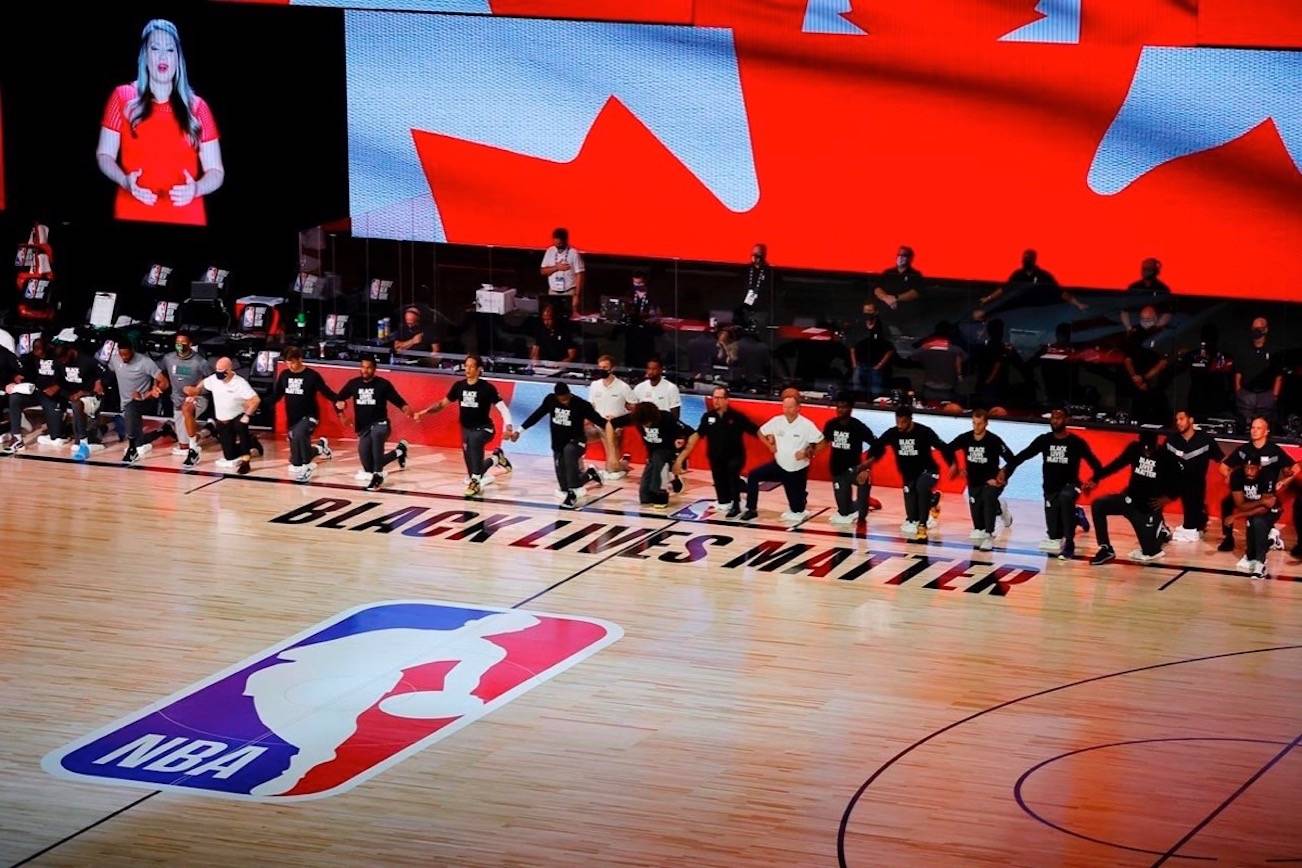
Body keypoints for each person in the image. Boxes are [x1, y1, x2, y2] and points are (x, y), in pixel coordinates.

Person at [96, 19, 223, 226]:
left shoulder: (198, 107)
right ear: (145, 57)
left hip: (187, 218)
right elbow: (104, 155)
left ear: (178, 59)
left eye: (170, 50)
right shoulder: (122, 96)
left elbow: (216, 172)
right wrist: (124, 181)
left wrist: (197, 189)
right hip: (132, 213)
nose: (163, 56)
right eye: (155, 48)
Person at [999, 406, 1103, 559]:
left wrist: (1094, 480)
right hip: (1050, 489)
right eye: (1053, 417)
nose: (1054, 421)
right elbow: (1022, 456)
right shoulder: (1044, 440)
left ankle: (1069, 544)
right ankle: (1076, 515)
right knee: (1054, 535)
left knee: (1066, 497)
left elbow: (1096, 465)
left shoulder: (1076, 442)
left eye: (1058, 417)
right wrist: (1005, 469)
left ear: (1066, 420)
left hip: (1071, 486)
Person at [416, 354, 514, 498]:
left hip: (484, 429)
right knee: (475, 469)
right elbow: (441, 405)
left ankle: (475, 483)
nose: (467, 369)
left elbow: (503, 409)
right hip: (466, 430)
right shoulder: (459, 386)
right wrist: (424, 412)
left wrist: (509, 428)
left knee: (474, 446)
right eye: (466, 366)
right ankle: (496, 458)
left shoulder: (487, 388)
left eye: (471, 366)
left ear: (479, 369)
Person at [1088, 431, 1179, 565]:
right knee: (1098, 505)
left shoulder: (1166, 456)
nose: (1147, 452)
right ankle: (1106, 549)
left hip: (1147, 507)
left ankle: (1161, 530)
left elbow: (1182, 481)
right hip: (1129, 499)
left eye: (1150, 449)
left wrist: (1168, 498)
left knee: (1150, 552)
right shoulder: (1134, 448)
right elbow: (1116, 465)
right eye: (1144, 448)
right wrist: (1096, 478)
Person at [867, 405, 955, 541]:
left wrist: (952, 464)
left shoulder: (924, 432)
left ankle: (923, 525)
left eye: (904, 422)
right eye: (897, 422)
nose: (900, 425)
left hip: (929, 471)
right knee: (911, 517)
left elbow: (943, 447)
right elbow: (877, 446)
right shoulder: (893, 433)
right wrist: (867, 465)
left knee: (921, 486)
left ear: (910, 420)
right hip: (908, 476)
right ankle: (932, 500)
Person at [674, 386, 761, 518]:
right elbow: (698, 435)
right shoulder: (708, 417)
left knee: (732, 473)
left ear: (727, 400)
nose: (716, 401)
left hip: (735, 455)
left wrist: (770, 440)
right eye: (714, 397)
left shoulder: (736, 416)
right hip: (715, 457)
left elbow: (755, 430)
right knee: (720, 485)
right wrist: (681, 458)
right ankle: (729, 498)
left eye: (720, 398)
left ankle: (736, 505)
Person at [738, 391, 824, 523]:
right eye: (784, 407)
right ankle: (751, 509)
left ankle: (801, 497)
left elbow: (821, 443)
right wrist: (769, 445)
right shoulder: (777, 421)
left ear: (798, 408)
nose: (786, 410)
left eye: (790, 407)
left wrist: (807, 453)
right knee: (753, 475)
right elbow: (760, 432)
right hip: (779, 465)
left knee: (797, 510)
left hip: (797, 469)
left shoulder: (806, 425)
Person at [515, 383, 605, 508]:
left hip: (577, 441)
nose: (565, 402)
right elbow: (536, 416)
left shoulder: (581, 404)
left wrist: (613, 427)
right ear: (556, 397)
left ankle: (572, 495)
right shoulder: (550, 400)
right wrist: (519, 431)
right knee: (564, 486)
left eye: (567, 398)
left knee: (569, 452)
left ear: (570, 393)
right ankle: (590, 474)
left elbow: (599, 420)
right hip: (558, 444)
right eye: (562, 400)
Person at [1216, 416, 1296, 553]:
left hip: (1266, 493)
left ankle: (1269, 535)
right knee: (1226, 503)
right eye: (1253, 427)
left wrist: (1283, 482)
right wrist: (1229, 476)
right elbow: (1223, 467)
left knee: (1259, 521)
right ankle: (1228, 538)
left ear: (1266, 432)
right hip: (1246, 491)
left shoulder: (1274, 451)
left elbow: (1295, 469)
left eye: (1258, 428)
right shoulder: (1243, 450)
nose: (1254, 431)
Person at [335, 355, 412, 492]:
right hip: (363, 428)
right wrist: (342, 415)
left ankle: (378, 476)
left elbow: (399, 401)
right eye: (363, 367)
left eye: (368, 367)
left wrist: (407, 410)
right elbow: (338, 400)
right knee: (368, 466)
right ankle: (400, 451)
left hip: (381, 424)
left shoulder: (383, 384)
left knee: (377, 435)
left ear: (374, 369)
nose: (365, 370)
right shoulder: (353, 384)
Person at [948, 408, 1015, 551]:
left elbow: (1012, 459)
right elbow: (947, 448)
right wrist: (955, 464)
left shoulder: (994, 440)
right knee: (978, 526)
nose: (976, 427)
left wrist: (1003, 473)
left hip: (992, 481)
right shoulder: (965, 438)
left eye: (979, 424)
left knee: (988, 496)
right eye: (974, 423)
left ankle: (990, 535)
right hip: (974, 482)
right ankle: (1000, 509)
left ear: (986, 424)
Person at [268, 346, 338, 483]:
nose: (290, 365)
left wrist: (339, 399)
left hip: (310, 416)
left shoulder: (311, 375)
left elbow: (326, 391)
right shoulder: (284, 375)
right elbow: (276, 396)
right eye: (287, 362)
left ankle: (308, 464)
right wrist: (259, 403)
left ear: (300, 360)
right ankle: (319, 448)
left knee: (300, 434)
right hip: (293, 419)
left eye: (293, 362)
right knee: (295, 462)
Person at [609, 402, 692, 510]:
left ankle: (661, 495)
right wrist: (612, 454)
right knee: (645, 497)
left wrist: (679, 460)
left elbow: (693, 434)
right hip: (652, 454)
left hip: (670, 451)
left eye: (647, 423)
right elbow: (610, 424)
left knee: (659, 459)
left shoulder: (666, 417)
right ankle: (672, 478)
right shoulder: (636, 417)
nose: (645, 426)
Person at [100, 338, 170, 464]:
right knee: (129, 431)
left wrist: (152, 391)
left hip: (145, 401)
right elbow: (107, 372)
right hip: (125, 404)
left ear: (132, 351)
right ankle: (162, 432)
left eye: (126, 354)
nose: (124, 358)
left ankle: (132, 450)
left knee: (131, 413)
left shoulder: (145, 362)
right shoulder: (115, 359)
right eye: (121, 355)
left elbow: (164, 382)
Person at [186, 358, 260, 476]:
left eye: (222, 370)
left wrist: (247, 415)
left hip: (237, 416)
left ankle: (246, 461)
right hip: (222, 419)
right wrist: (196, 392)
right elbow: (204, 382)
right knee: (229, 455)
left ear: (230, 370)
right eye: (217, 370)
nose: (219, 373)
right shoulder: (214, 379)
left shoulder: (239, 383)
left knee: (242, 427)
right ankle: (253, 443)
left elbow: (255, 400)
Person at [816, 396, 875, 526]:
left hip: (854, 470)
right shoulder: (831, 424)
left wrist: (866, 468)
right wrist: (811, 452)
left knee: (862, 512)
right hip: (837, 470)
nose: (840, 410)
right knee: (844, 511)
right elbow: (824, 442)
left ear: (850, 409)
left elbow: (877, 446)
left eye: (844, 407)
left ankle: (864, 502)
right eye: (838, 407)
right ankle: (859, 502)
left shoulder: (858, 426)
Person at [1163, 409, 1222, 542]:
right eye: (1177, 420)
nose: (1178, 422)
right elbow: (1161, 460)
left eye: (1182, 419)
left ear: (1191, 420)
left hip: (1196, 483)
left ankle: (1195, 524)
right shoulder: (1171, 440)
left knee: (1192, 503)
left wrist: (1229, 472)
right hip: (1175, 482)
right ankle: (1160, 527)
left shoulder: (1205, 439)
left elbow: (1221, 459)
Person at [975, 249, 1085, 317]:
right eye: (1024, 259)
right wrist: (988, 298)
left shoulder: (1043, 275)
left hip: (1040, 304)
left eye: (1028, 259)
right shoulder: (1018, 274)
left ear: (1033, 260)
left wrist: (1078, 304)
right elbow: (1004, 289)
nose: (1025, 261)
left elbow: (1060, 292)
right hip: (1021, 302)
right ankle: (984, 315)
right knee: (1002, 306)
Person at [1226, 457, 1286, 579]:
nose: (1249, 472)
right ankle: (1272, 540)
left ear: (1259, 467)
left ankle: (1261, 564)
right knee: (1250, 554)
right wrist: (1261, 501)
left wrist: (1236, 516)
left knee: (1258, 521)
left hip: (1273, 510)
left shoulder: (1267, 475)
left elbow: (1266, 507)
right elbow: (1240, 505)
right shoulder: (1236, 475)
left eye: (1252, 468)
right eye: (1246, 468)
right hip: (1251, 509)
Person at [3, 338, 65, 452]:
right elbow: (18, 370)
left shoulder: (58, 357)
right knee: (14, 397)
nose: (38, 352)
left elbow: (67, 377)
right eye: (35, 349)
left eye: (40, 349)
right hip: (35, 392)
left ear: (47, 347)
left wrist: (57, 386)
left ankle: (60, 428)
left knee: (56, 438)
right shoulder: (29, 358)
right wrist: (16, 377)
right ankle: (16, 438)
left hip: (53, 394)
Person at [161, 331, 213, 465]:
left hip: (198, 399)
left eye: (183, 344)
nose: (180, 346)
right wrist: (157, 386)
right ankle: (208, 430)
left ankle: (194, 449)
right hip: (177, 400)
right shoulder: (168, 358)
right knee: (183, 445)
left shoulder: (200, 362)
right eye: (177, 344)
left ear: (190, 344)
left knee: (187, 410)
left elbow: (213, 382)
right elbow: (160, 374)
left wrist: (196, 391)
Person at [1121, 305, 1171, 424]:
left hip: (1155, 386)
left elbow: (1163, 362)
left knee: (1161, 422)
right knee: (1136, 421)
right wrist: (1135, 378)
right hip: (1138, 389)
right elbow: (1127, 359)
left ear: (1155, 318)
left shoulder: (1163, 334)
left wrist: (1144, 378)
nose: (1145, 322)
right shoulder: (1134, 333)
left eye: (1148, 319)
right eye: (1143, 319)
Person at [58, 342, 107, 462]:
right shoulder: (60, 363)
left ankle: (84, 443)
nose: (63, 362)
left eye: (64, 358)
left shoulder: (87, 361)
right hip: (73, 397)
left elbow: (107, 374)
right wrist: (68, 395)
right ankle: (104, 428)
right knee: (75, 404)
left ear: (70, 352)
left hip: (91, 396)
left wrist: (99, 382)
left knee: (77, 403)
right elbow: (58, 383)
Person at [589, 355, 634, 480]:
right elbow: (591, 406)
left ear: (612, 368)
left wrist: (619, 418)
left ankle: (617, 465)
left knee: (612, 469)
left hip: (616, 425)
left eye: (605, 367)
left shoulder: (623, 387)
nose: (602, 370)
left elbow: (633, 407)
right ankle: (621, 464)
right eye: (600, 367)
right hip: (598, 424)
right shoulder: (594, 385)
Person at [1232, 317, 1282, 426]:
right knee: (1245, 425)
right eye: (1254, 328)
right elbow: (1238, 373)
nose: (1256, 330)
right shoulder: (1243, 349)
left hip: (1266, 395)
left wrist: (1275, 395)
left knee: (1264, 426)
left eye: (1259, 328)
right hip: (1246, 394)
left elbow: (1278, 376)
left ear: (1265, 330)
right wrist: (1238, 391)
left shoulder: (1273, 350)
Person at [913, 321, 966, 407]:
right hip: (948, 389)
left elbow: (913, 356)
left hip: (929, 388)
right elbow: (965, 359)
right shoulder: (956, 350)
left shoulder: (926, 347)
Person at [849, 301, 895, 398]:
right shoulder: (858, 326)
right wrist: (854, 364)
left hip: (875, 367)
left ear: (876, 312)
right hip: (859, 366)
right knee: (857, 392)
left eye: (869, 311)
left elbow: (890, 349)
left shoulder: (883, 327)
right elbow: (852, 346)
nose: (867, 313)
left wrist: (879, 365)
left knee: (875, 393)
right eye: (865, 311)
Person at [539, 227, 585, 318]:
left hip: (569, 293)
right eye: (556, 243)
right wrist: (557, 267)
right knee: (554, 317)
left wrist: (576, 295)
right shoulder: (550, 251)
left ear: (565, 240)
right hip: (553, 292)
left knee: (569, 318)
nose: (558, 246)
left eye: (560, 244)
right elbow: (543, 271)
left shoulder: (573, 253)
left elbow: (580, 274)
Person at [1121, 258, 1173, 331]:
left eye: (1149, 269)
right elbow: (1125, 310)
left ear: (1156, 271)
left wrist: (1156, 328)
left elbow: (1168, 312)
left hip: (1155, 324)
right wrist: (1129, 328)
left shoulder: (1163, 288)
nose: (1146, 271)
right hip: (1135, 323)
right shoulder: (1134, 287)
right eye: (1144, 269)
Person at [735, 243, 773, 332]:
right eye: (753, 255)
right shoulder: (746, 269)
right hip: (744, 308)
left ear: (763, 255)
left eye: (758, 255)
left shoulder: (769, 272)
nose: (755, 257)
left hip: (761, 310)